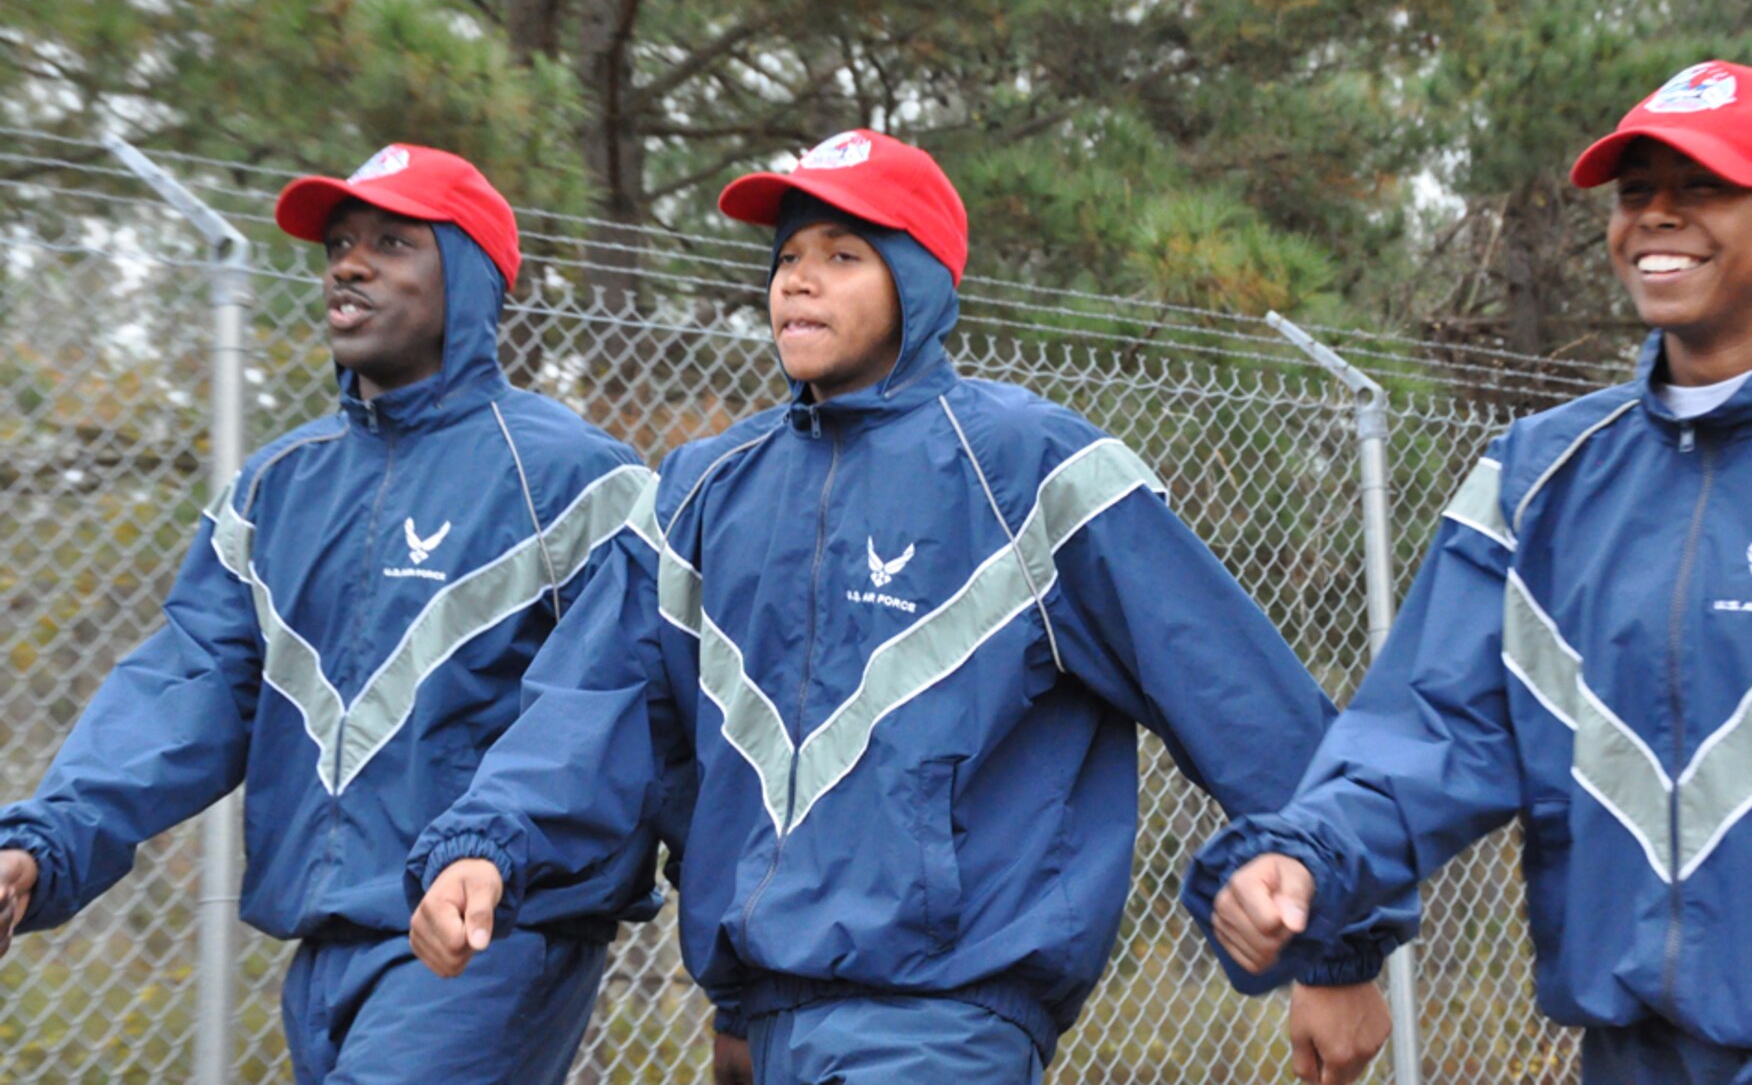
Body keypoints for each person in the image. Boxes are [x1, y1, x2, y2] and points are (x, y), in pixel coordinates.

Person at [407, 128, 1393, 1084]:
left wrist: (1337, 946)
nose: (797, 278)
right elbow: (594, 706)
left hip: (946, 1019)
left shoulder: (1032, 469)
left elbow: (1237, 697)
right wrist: (489, 844)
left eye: (843, 254)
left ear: (917, 282)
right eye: (787, 254)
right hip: (768, 1020)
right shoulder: (702, 490)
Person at [1182, 60, 1752, 1083]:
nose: (1655, 217)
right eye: (1633, 193)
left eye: (1699, 187)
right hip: (1632, 1049)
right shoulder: (1538, 478)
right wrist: (1303, 856)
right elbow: (1431, 731)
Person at [0, 145, 665, 1085]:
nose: (349, 264)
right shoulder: (277, 485)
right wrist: (44, 841)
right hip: (321, 949)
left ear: (468, 279)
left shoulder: (574, 479)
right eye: (341, 244)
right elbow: (187, 688)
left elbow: (601, 713)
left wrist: (489, 851)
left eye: (392, 244)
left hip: (488, 938)